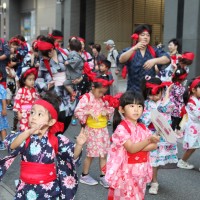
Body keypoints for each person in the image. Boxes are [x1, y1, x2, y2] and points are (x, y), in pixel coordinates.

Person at [0, 92, 88, 199]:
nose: (33, 117)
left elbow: (71, 155)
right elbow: (12, 146)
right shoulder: (24, 137)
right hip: (25, 188)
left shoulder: (56, 140)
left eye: (39, 114)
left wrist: (79, 145)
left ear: (51, 122)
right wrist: (27, 133)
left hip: (49, 190)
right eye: (32, 112)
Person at [105, 91, 159, 199]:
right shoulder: (122, 128)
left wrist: (141, 145)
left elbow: (154, 146)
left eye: (139, 106)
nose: (136, 109)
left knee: (138, 195)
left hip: (140, 170)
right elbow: (131, 149)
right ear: (121, 109)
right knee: (127, 196)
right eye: (132, 106)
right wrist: (147, 141)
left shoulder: (142, 127)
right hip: (126, 172)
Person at [140, 77, 178, 195]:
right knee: (148, 159)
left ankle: (154, 181)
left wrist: (167, 93)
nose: (154, 97)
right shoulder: (146, 103)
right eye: (151, 95)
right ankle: (149, 178)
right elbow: (143, 117)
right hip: (149, 134)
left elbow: (165, 109)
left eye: (157, 94)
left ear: (162, 91)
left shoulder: (166, 102)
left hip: (160, 136)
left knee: (154, 160)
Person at [74, 78, 114, 188]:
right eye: (99, 92)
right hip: (91, 130)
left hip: (102, 129)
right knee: (91, 154)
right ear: (93, 88)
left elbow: (110, 109)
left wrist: (107, 112)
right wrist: (88, 112)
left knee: (103, 154)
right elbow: (77, 111)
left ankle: (103, 176)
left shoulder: (103, 99)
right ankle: (84, 175)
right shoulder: (86, 98)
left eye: (103, 92)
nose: (101, 94)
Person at [35, 37, 74, 132]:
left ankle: (58, 139)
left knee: (67, 118)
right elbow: (39, 81)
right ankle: (54, 141)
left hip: (68, 92)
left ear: (52, 49)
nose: (45, 57)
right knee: (60, 117)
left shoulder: (65, 53)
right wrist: (46, 86)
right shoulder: (43, 61)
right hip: (54, 94)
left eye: (46, 54)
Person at [119, 24, 170, 92]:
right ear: (137, 37)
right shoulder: (130, 50)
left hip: (149, 91)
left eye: (148, 35)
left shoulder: (154, 50)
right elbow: (121, 59)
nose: (146, 37)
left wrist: (154, 61)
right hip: (133, 90)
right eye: (142, 35)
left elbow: (167, 58)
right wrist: (134, 48)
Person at [177, 77, 200, 170]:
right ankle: (182, 161)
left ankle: (182, 161)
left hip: (196, 126)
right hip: (194, 128)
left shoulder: (196, 99)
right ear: (194, 90)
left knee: (194, 146)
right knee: (192, 147)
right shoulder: (191, 102)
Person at [170, 68, 188, 136]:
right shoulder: (179, 87)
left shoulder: (172, 85)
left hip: (172, 107)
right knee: (174, 122)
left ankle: (173, 132)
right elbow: (178, 95)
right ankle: (172, 133)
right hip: (176, 108)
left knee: (173, 122)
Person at [0, 69, 9, 150]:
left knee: (2, 128)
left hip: (0, 112)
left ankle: (5, 142)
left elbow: (3, 100)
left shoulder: (1, 88)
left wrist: (4, 109)